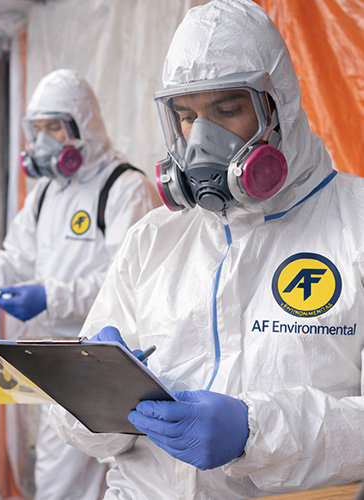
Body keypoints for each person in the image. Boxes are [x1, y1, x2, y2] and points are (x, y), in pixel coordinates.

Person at [48, 1, 364, 499]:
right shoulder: (153, 239)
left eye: (226, 110)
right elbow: (81, 432)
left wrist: (257, 432)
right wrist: (94, 387)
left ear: (279, 106)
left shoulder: (355, 225)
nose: (201, 140)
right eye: (186, 116)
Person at [0, 68, 161, 500]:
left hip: (107, 365)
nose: (43, 141)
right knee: (64, 479)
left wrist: (50, 297)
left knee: (101, 482)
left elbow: (131, 283)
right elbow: (16, 261)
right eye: (37, 129)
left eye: (53, 127)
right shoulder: (45, 194)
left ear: (83, 125)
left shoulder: (124, 188)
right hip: (56, 362)